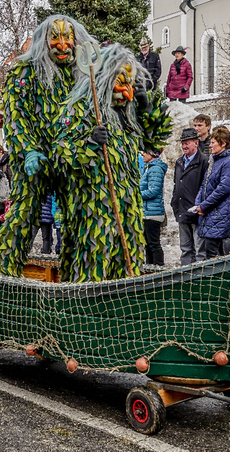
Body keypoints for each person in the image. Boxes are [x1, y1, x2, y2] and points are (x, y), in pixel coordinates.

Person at [52, 45, 171, 281]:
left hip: (128, 208)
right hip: (93, 210)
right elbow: (60, 157)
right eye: (120, 83)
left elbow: (154, 144)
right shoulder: (78, 110)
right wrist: (90, 143)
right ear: (105, 79)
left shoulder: (129, 116)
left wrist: (145, 105)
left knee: (127, 264)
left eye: (130, 85)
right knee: (93, 261)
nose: (126, 93)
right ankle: (84, 306)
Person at [0, 15, 96, 276]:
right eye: (55, 37)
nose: (62, 44)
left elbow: (87, 114)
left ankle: (76, 276)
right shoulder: (23, 72)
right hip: (34, 161)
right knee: (25, 213)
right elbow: (16, 116)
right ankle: (4, 270)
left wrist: (90, 140)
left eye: (67, 37)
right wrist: (28, 149)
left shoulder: (83, 76)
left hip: (68, 158)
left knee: (77, 217)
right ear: (43, 41)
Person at [191, 125, 230, 259]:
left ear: (223, 143)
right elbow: (204, 184)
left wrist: (205, 205)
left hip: (220, 213)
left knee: (217, 255)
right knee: (210, 254)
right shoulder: (215, 161)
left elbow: (224, 188)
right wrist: (198, 204)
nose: (210, 146)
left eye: (213, 143)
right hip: (211, 213)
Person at [140, 144, 167, 265]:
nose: (142, 154)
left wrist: (137, 195)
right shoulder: (150, 167)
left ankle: (158, 269)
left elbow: (153, 191)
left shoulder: (155, 169)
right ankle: (151, 269)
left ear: (152, 154)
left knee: (153, 244)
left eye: (145, 152)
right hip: (148, 212)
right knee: (149, 245)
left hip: (153, 213)